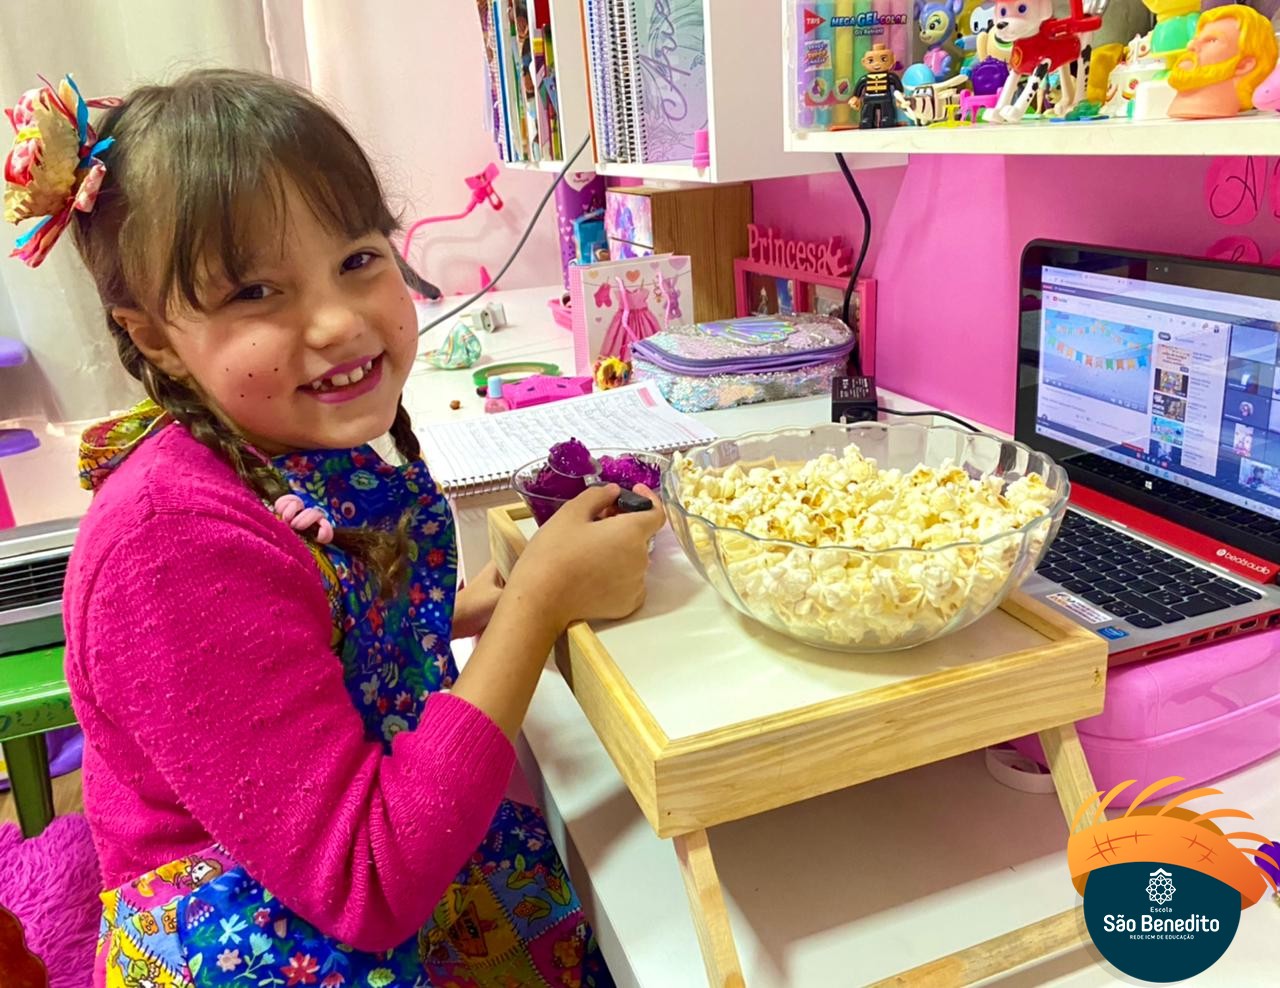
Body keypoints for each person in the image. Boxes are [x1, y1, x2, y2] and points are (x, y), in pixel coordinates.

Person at [5, 70, 665, 986]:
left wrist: (471, 607)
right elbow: (368, 879)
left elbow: (297, 643)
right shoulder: (168, 547)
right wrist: (537, 606)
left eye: (357, 260)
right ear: (153, 337)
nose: (337, 322)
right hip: (273, 943)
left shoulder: (273, 440)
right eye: (254, 291)